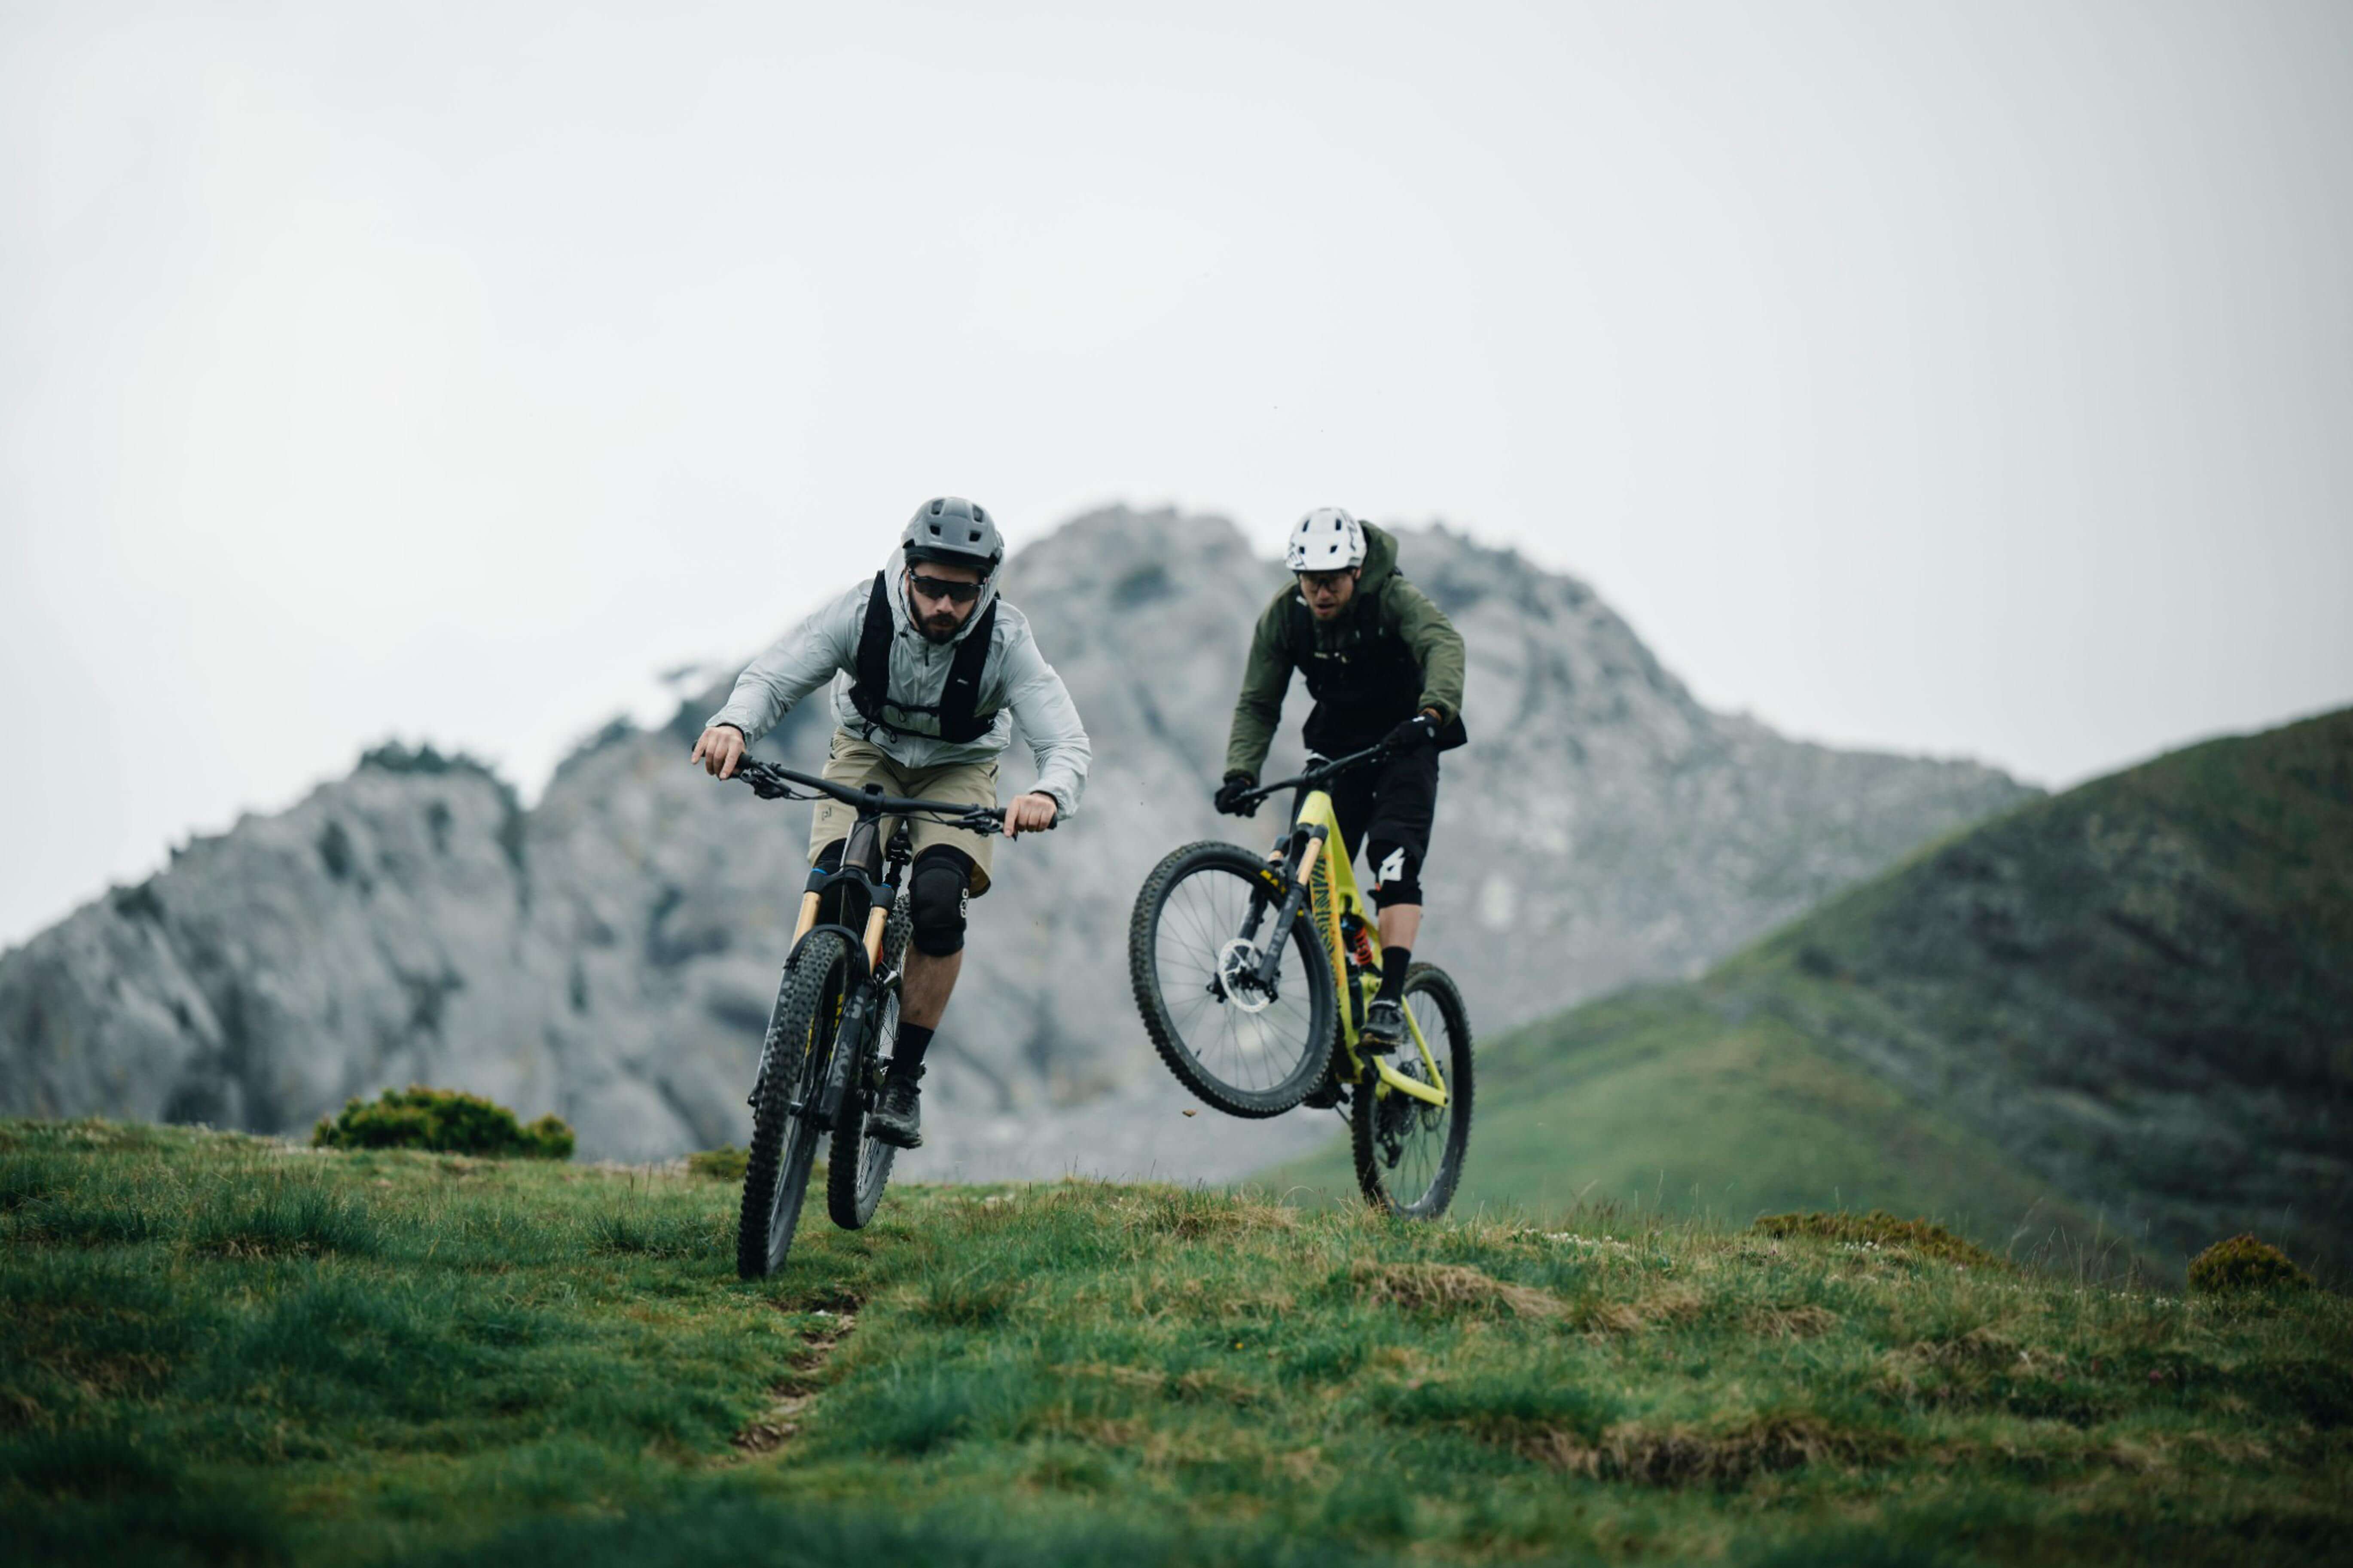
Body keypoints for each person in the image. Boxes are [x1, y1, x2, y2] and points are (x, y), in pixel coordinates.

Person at [691, 497, 1090, 1149]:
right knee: (834, 882)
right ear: (907, 571)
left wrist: (1048, 792)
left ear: (984, 587)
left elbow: (1065, 743)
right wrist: (734, 723)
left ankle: (903, 1078)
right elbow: (774, 676)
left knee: (936, 903)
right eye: (931, 587)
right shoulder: (859, 611)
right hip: (864, 751)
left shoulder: (1007, 641)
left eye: (961, 594)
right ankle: (791, 1041)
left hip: (958, 770)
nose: (943, 607)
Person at [1215, 506, 1466, 1057]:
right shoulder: (1286, 616)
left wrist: (1432, 712)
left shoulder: (1392, 598)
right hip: (1335, 750)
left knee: (1393, 856)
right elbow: (1258, 701)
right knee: (1302, 865)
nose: (1320, 592)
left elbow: (1442, 644)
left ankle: (1390, 999)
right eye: (1310, 581)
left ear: (1356, 572)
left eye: (1331, 581)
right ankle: (1335, 1013)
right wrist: (1240, 771)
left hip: (1406, 742)